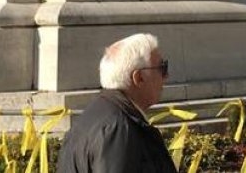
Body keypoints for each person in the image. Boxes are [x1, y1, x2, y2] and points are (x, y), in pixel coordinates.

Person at [55, 33, 176, 173]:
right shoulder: (118, 129)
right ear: (139, 78)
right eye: (162, 67)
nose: (166, 76)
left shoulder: (95, 116)